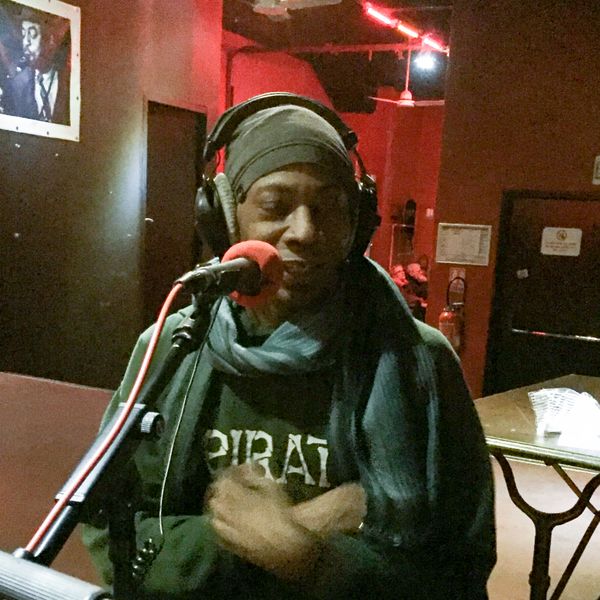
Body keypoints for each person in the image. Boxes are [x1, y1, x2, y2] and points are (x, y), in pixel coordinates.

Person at [82, 95, 496, 599]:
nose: (304, 232)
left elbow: (459, 572)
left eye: (328, 208)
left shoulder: (420, 361)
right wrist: (279, 537)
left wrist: (315, 562)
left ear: (356, 225)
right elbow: (112, 532)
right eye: (275, 207)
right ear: (226, 218)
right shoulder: (172, 347)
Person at [2, 7, 70, 124]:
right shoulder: (18, 84)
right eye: (24, 34)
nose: (26, 42)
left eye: (32, 34)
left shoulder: (69, 78)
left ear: (50, 40)